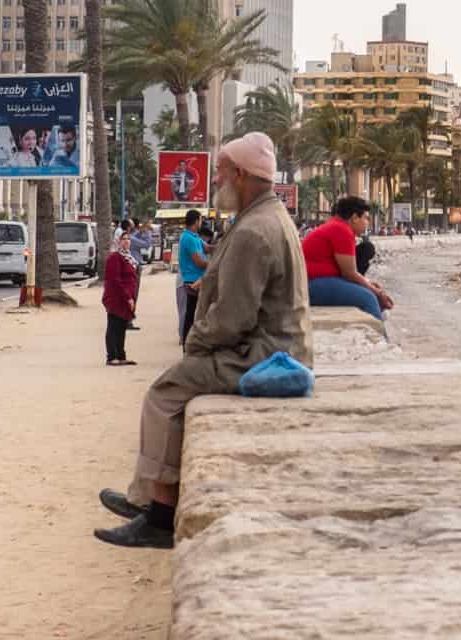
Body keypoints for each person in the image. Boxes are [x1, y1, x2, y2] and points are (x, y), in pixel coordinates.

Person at [95, 132, 311, 548]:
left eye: (221, 172)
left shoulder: (253, 231)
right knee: (177, 389)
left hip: (264, 357)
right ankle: (150, 502)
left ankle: (156, 514)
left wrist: (196, 342)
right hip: (275, 348)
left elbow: (233, 317)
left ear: (242, 176)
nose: (214, 180)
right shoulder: (266, 218)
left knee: (165, 392)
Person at [300, 196, 392, 319]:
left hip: (315, 282)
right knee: (368, 298)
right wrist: (377, 292)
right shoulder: (341, 230)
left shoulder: (336, 226)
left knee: (369, 292)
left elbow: (349, 271)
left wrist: (369, 284)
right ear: (354, 218)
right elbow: (350, 273)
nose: (367, 223)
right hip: (313, 285)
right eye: (366, 218)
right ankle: (378, 338)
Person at [103, 233, 139, 366]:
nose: (126, 241)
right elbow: (115, 280)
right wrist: (127, 297)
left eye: (128, 239)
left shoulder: (129, 258)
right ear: (118, 241)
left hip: (126, 298)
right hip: (116, 298)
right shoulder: (115, 257)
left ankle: (121, 355)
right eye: (123, 239)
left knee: (121, 327)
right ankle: (111, 356)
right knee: (113, 326)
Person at [175, 209, 208, 344]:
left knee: (195, 314)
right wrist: (216, 264)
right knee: (190, 315)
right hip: (192, 282)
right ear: (196, 221)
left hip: (197, 280)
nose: (201, 222)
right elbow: (199, 262)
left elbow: (207, 248)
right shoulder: (188, 238)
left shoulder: (195, 237)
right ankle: (187, 344)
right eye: (200, 220)